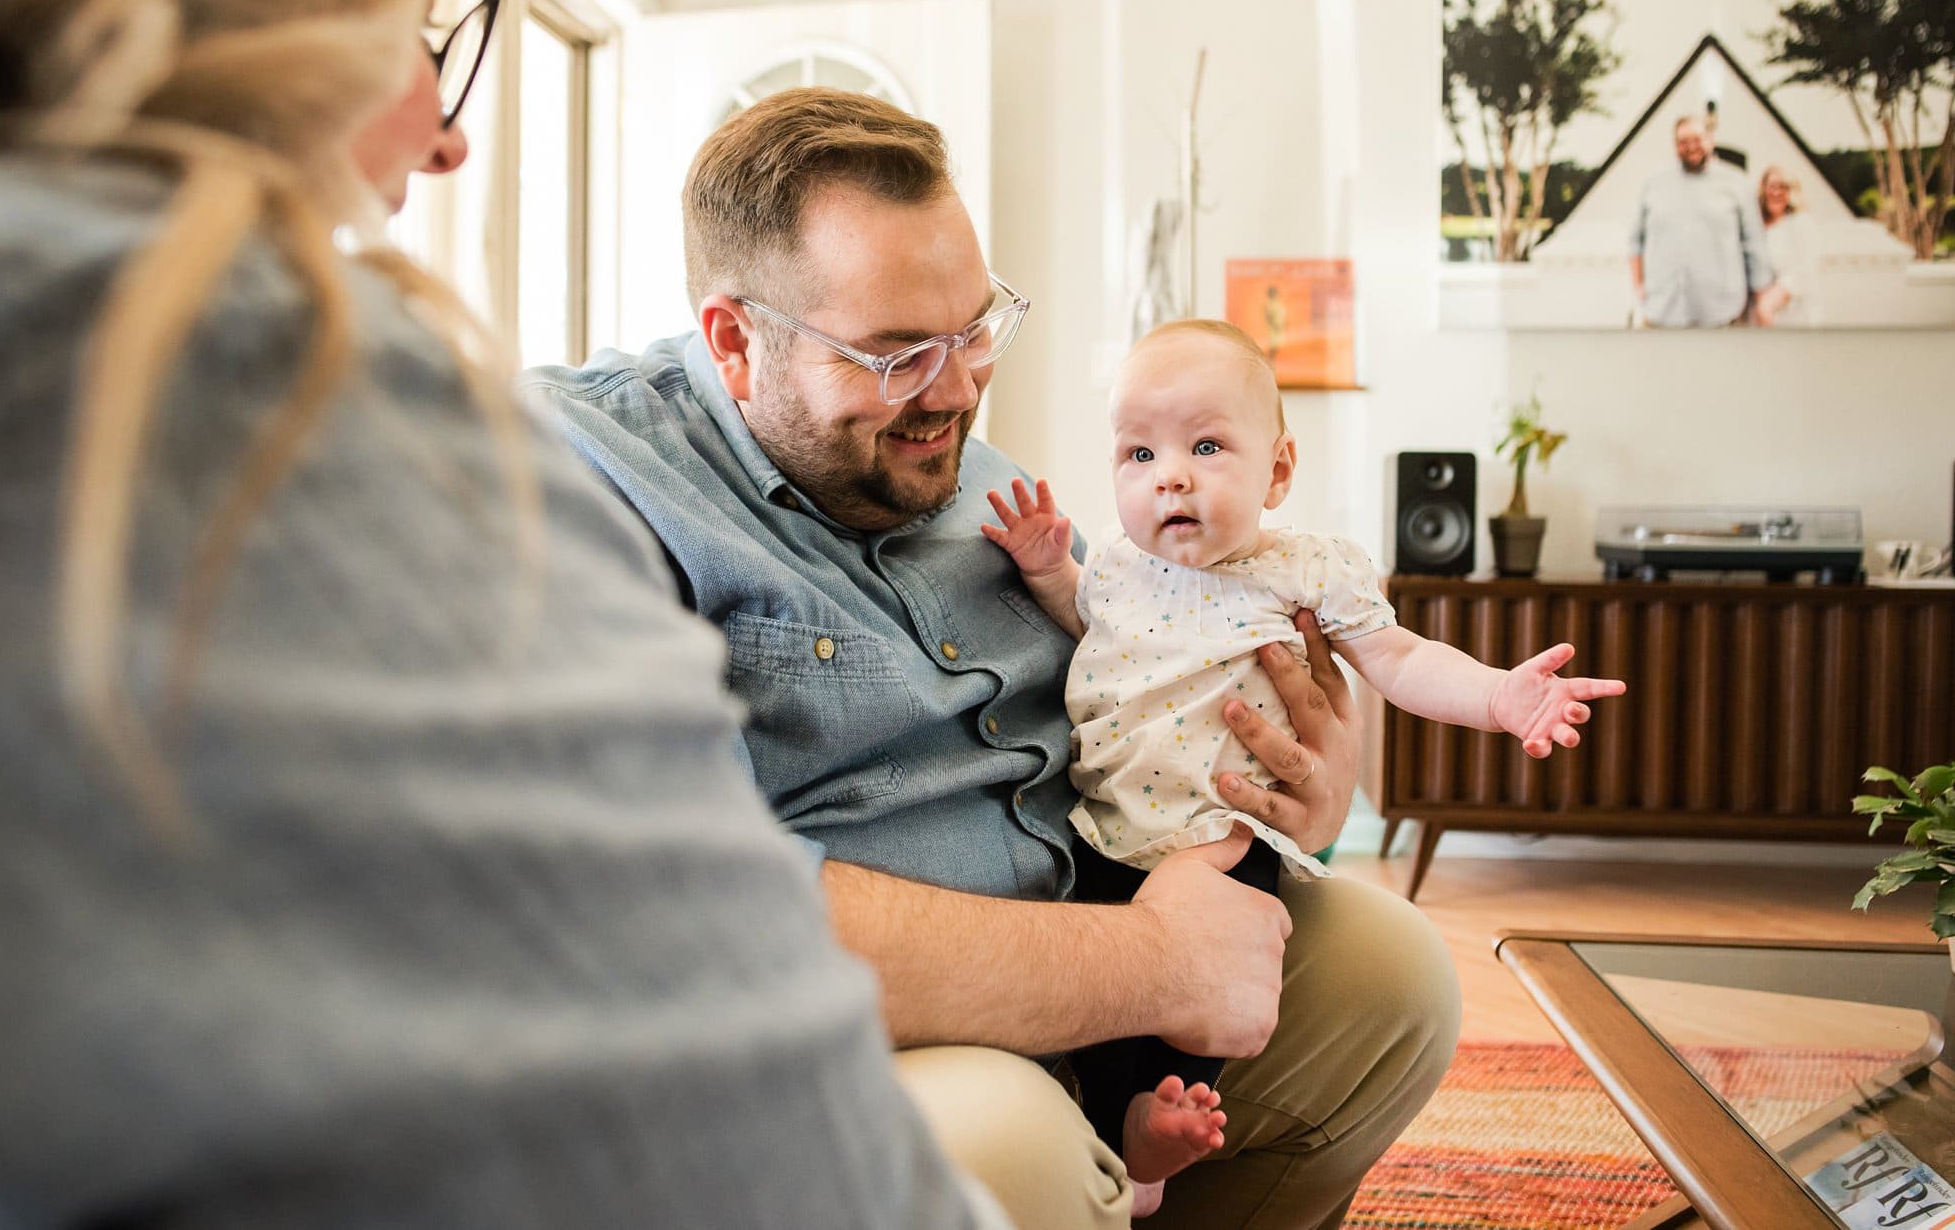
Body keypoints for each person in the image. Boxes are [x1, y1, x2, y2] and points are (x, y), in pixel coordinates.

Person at [0, 0, 1002, 1227]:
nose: (447, 142)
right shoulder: (358, 425)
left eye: (972, 333)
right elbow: (817, 1163)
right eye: (417, 27)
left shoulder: (1001, 487)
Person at [520, 86, 1464, 1230]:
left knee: (1390, 983)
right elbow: (665, 903)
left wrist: (1290, 797)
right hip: (845, 1036)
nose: (959, 389)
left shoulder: (950, 454)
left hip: (1105, 931)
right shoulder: (581, 478)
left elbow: (1133, 688)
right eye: (899, 351)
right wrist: (1149, 962)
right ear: (734, 339)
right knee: (1002, 1146)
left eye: (973, 328)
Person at [980, 319, 1624, 1210]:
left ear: (1278, 470)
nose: (1171, 472)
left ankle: (1155, 1133)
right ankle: (1119, 1127)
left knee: (1206, 989)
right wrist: (1052, 572)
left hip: (1221, 836)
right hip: (1105, 824)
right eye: (1139, 452)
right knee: (1095, 995)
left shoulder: (1302, 571)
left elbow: (1398, 658)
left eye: (1207, 445)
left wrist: (1498, 697)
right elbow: (1094, 640)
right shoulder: (1120, 565)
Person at [1629, 115, 1774, 327]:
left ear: (1711, 140)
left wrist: (1761, 302)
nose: (1691, 147)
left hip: (1722, 314)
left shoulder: (1737, 183)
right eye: (1683, 142)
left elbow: (1754, 244)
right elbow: (1635, 241)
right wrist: (1639, 286)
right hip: (1662, 311)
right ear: (1675, 145)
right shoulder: (1653, 184)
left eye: (1697, 139)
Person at [1753, 165, 1817, 327]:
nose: (1776, 192)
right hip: (1756, 314)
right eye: (1772, 186)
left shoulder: (1802, 223)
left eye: (1783, 187)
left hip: (1791, 313)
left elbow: (1803, 272)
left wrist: (1768, 303)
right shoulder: (1755, 224)